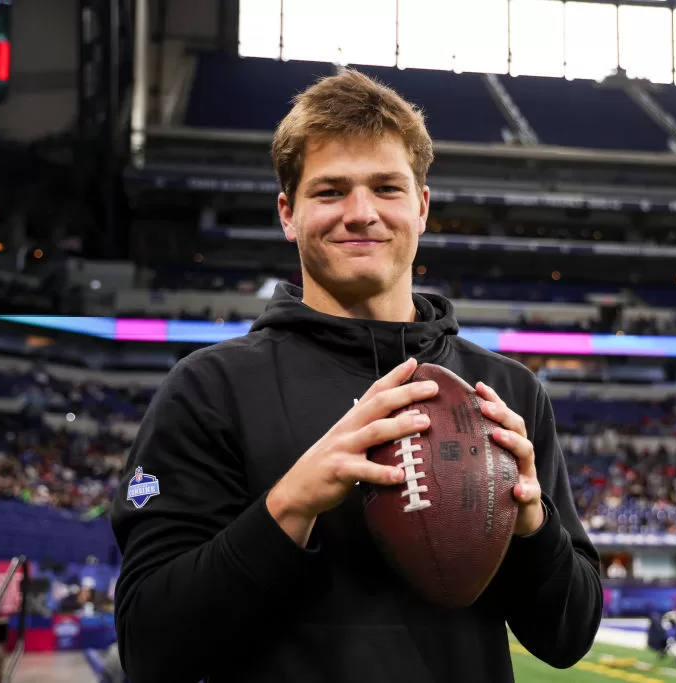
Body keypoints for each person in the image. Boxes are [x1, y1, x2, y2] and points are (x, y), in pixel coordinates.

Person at [110, 69, 603, 683]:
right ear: (288, 214)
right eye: (330, 191)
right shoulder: (208, 390)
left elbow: (568, 636)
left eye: (387, 188)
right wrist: (290, 504)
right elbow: (150, 647)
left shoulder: (507, 391)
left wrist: (532, 524)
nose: (361, 213)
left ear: (421, 207)